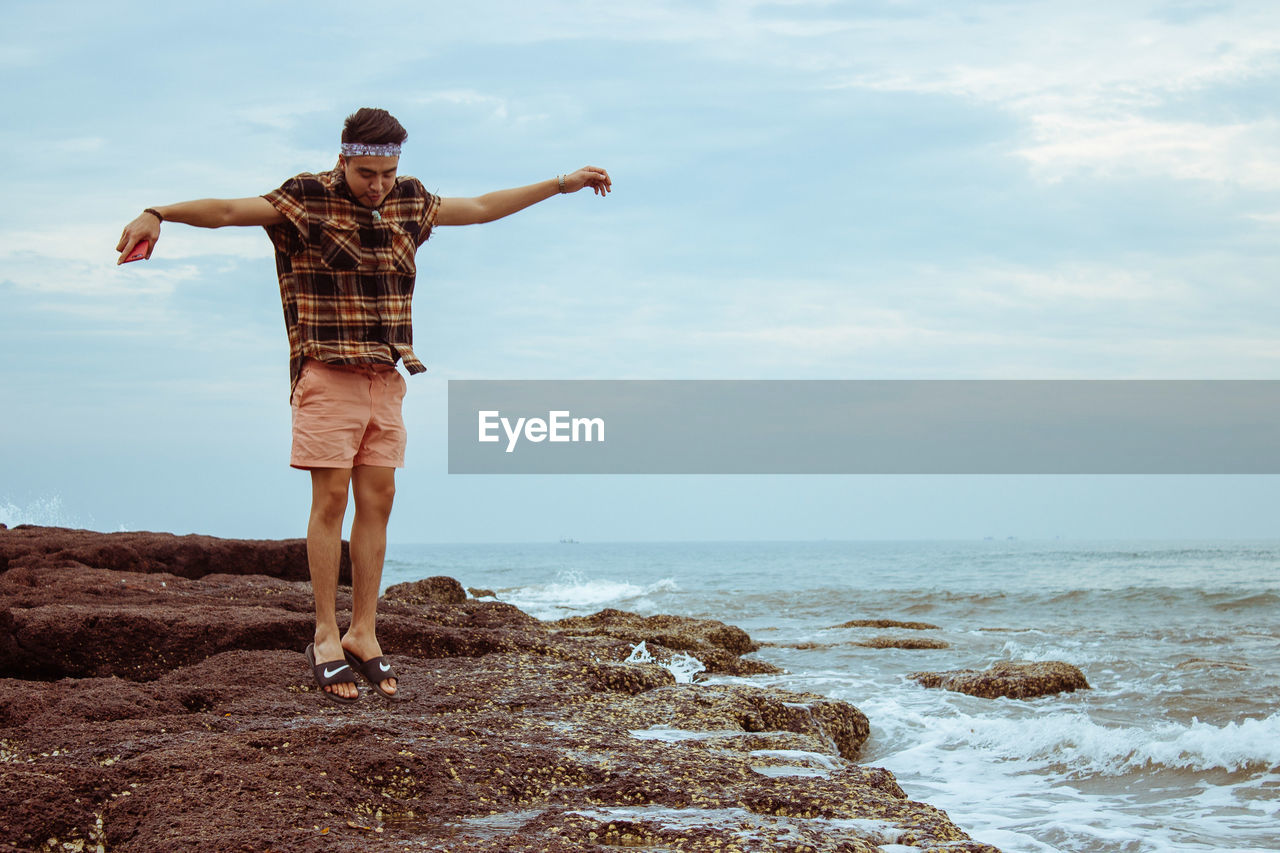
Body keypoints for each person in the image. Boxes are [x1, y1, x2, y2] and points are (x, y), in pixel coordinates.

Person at [115, 107, 611, 703]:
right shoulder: (306, 198)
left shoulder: (409, 200)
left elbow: (479, 208)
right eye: (366, 173)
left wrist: (562, 184)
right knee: (330, 500)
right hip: (326, 373)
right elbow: (226, 212)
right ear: (344, 159)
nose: (378, 185)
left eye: (387, 173)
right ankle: (325, 636)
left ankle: (364, 633)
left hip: (387, 376)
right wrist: (158, 212)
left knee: (379, 500)